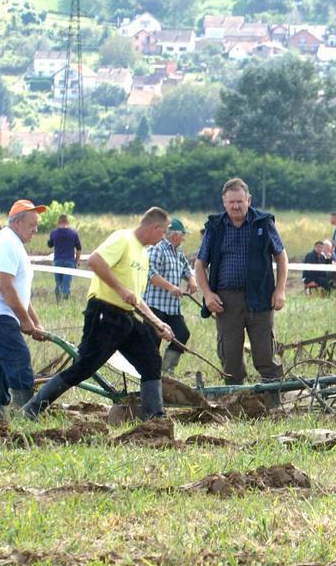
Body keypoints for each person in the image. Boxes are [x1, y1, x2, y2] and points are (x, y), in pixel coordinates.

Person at [23, 208, 175, 422]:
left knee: (151, 359)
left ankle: (155, 417)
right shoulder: (123, 238)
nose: (164, 236)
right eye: (164, 231)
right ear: (154, 227)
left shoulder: (143, 255)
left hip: (127, 318)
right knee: (84, 367)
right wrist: (121, 290)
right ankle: (32, 409)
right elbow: (94, 261)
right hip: (104, 313)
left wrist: (157, 322)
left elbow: (136, 299)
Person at [194, 178, 287, 387]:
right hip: (226, 300)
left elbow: (281, 256)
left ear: (249, 200)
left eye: (240, 201)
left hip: (260, 297)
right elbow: (200, 263)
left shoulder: (263, 223)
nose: (236, 206)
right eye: (231, 202)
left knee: (265, 353)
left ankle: (274, 400)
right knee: (230, 356)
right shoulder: (215, 226)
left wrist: (280, 290)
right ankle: (236, 401)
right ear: (224, 202)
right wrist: (208, 294)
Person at [0, 200, 49, 418]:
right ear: (18, 222)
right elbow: (5, 286)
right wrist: (24, 321)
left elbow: (20, 291)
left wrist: (35, 321)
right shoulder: (6, 243)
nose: (36, 230)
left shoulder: (13, 243)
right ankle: (26, 412)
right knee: (18, 359)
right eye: (32, 225)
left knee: (4, 363)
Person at [144, 217, 197, 377]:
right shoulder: (157, 249)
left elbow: (186, 268)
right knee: (153, 341)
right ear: (174, 235)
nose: (184, 238)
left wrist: (192, 279)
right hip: (155, 305)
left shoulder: (178, 251)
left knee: (182, 334)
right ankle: (149, 375)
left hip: (172, 307)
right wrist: (171, 287)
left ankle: (166, 371)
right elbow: (150, 274)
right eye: (182, 234)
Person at [47, 214, 83, 302]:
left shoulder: (54, 233)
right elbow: (79, 249)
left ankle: (58, 302)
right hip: (70, 261)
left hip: (58, 261)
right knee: (66, 284)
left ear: (58, 222)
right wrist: (76, 261)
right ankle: (65, 303)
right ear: (67, 222)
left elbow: (49, 245)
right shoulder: (74, 233)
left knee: (58, 283)